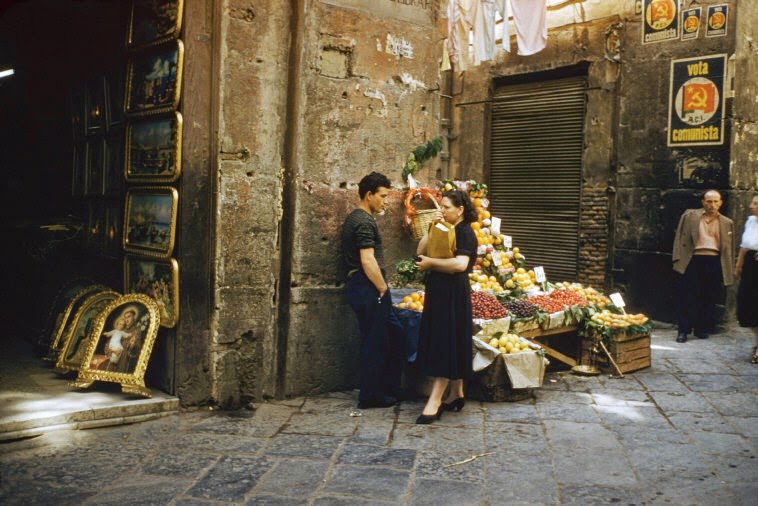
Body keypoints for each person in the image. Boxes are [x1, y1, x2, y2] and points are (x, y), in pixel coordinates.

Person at [341, 172, 404, 409]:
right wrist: (382, 288)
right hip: (368, 287)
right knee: (375, 342)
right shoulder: (363, 221)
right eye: (383, 196)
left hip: (366, 287)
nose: (386, 201)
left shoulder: (359, 219)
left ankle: (389, 388)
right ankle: (371, 395)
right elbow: (367, 260)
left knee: (394, 334)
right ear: (369, 195)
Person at [414, 189, 478, 424]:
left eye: (447, 207)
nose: (442, 210)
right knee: (449, 338)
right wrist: (432, 227)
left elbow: (460, 264)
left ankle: (436, 399)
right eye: (441, 206)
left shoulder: (465, 233)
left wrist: (431, 263)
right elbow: (420, 251)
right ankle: (457, 393)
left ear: (460, 210)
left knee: (445, 341)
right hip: (438, 290)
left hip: (453, 293)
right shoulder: (443, 227)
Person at [672, 189, 735, 343]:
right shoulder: (690, 216)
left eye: (715, 201)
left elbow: (729, 247)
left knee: (708, 296)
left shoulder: (727, 223)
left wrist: (728, 267)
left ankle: (701, 328)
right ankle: (683, 331)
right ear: (703, 202)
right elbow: (679, 237)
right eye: (708, 201)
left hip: (713, 261)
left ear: (720, 203)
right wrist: (677, 258)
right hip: (693, 259)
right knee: (687, 295)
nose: (712, 205)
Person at [734, 194, 758, 364]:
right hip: (750, 266)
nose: (751, 205)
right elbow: (744, 246)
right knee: (747, 304)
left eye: (755, 203)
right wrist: (738, 265)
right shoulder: (751, 221)